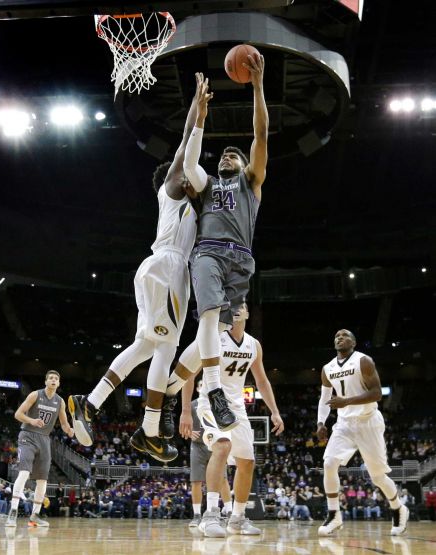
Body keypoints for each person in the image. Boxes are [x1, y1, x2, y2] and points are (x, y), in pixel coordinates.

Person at [68, 73, 204, 462]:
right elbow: (183, 147)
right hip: (167, 269)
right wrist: (199, 106)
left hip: (158, 269)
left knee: (148, 346)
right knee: (164, 349)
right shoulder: (174, 188)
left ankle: (89, 404)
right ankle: (147, 431)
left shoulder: (183, 204)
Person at [162, 53, 269, 432]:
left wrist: (257, 87)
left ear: (243, 166)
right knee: (209, 319)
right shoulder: (207, 184)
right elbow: (190, 166)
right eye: (223, 153)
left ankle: (173, 382)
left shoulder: (250, 182)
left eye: (232, 155)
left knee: (221, 329)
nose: (227, 155)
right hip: (208, 253)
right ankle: (212, 391)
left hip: (241, 260)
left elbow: (260, 135)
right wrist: (201, 122)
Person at [179, 303, 284, 537]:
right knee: (222, 447)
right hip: (210, 404)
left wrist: (274, 411)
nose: (238, 308)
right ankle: (211, 516)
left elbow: (262, 381)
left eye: (242, 305)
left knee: (247, 462)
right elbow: (188, 373)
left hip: (237, 409)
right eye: (233, 304)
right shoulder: (213, 337)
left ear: (248, 313)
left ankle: (237, 519)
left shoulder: (253, 344)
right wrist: (186, 410)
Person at [316, 329, 409, 536]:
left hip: (368, 422)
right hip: (344, 423)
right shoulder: (327, 368)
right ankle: (334, 515)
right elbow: (324, 399)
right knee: (329, 463)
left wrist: (346, 401)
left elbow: (376, 394)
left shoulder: (363, 361)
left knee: (377, 476)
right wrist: (321, 423)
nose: (339, 337)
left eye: (345, 335)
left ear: (354, 342)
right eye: (336, 336)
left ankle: (398, 508)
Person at [5, 370, 74, 527]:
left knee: (43, 480)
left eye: (56, 378)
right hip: (28, 435)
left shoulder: (60, 401)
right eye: (50, 378)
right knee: (23, 473)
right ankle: (13, 512)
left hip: (44, 439)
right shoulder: (35, 395)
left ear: (59, 383)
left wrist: (69, 430)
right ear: (45, 382)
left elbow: (63, 423)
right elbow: (18, 414)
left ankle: (34, 515)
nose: (53, 380)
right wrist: (32, 420)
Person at [188, 381, 233, 528]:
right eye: (200, 384)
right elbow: (184, 425)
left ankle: (229, 512)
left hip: (216, 444)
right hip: (198, 445)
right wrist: (188, 432)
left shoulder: (218, 402)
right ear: (197, 388)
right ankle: (196, 516)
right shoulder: (191, 404)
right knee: (196, 481)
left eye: (205, 384)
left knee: (223, 479)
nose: (203, 386)